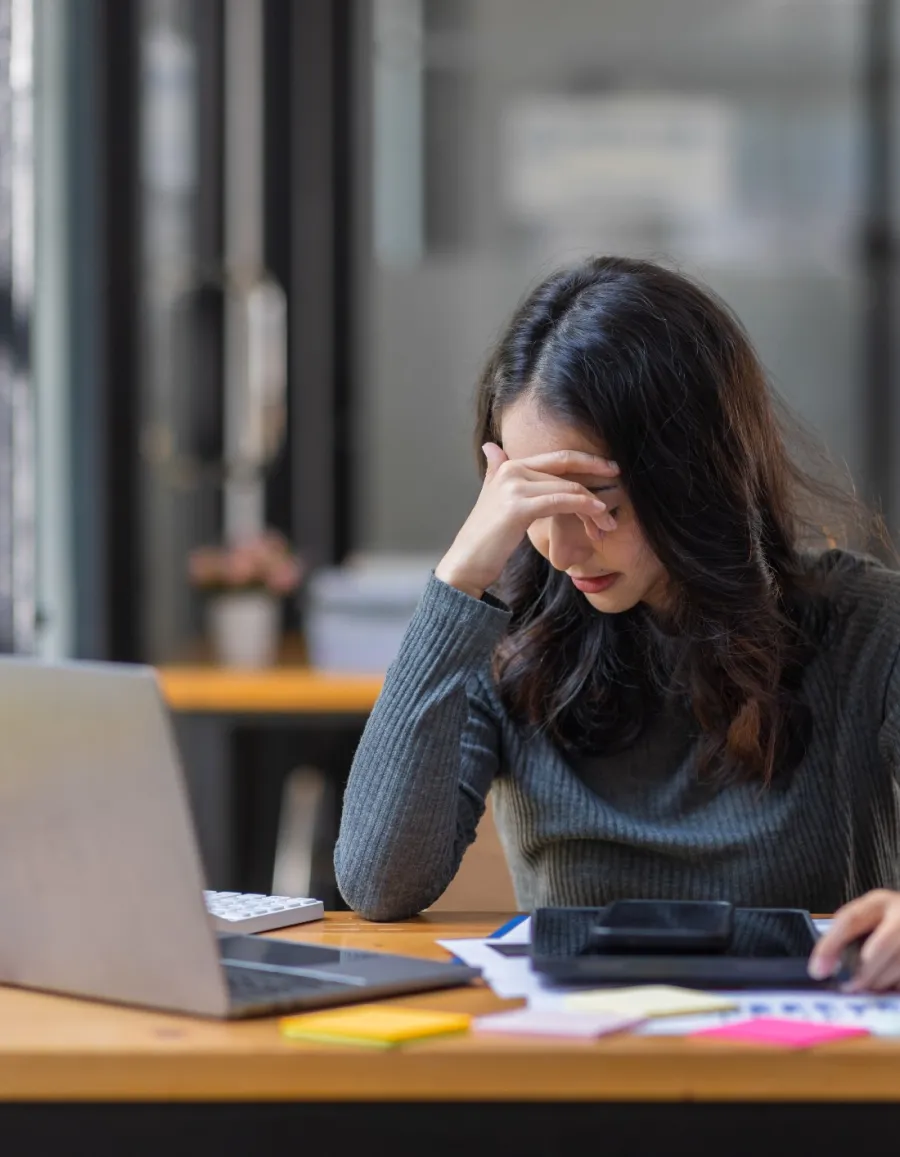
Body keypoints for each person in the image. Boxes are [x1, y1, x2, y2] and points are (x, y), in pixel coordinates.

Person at [335, 256, 900, 991]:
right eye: (532, 499)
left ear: (692, 475)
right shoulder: (500, 630)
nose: (563, 548)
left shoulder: (869, 627)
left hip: (802, 1070)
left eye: (598, 499)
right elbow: (378, 882)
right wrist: (459, 577)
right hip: (585, 1072)